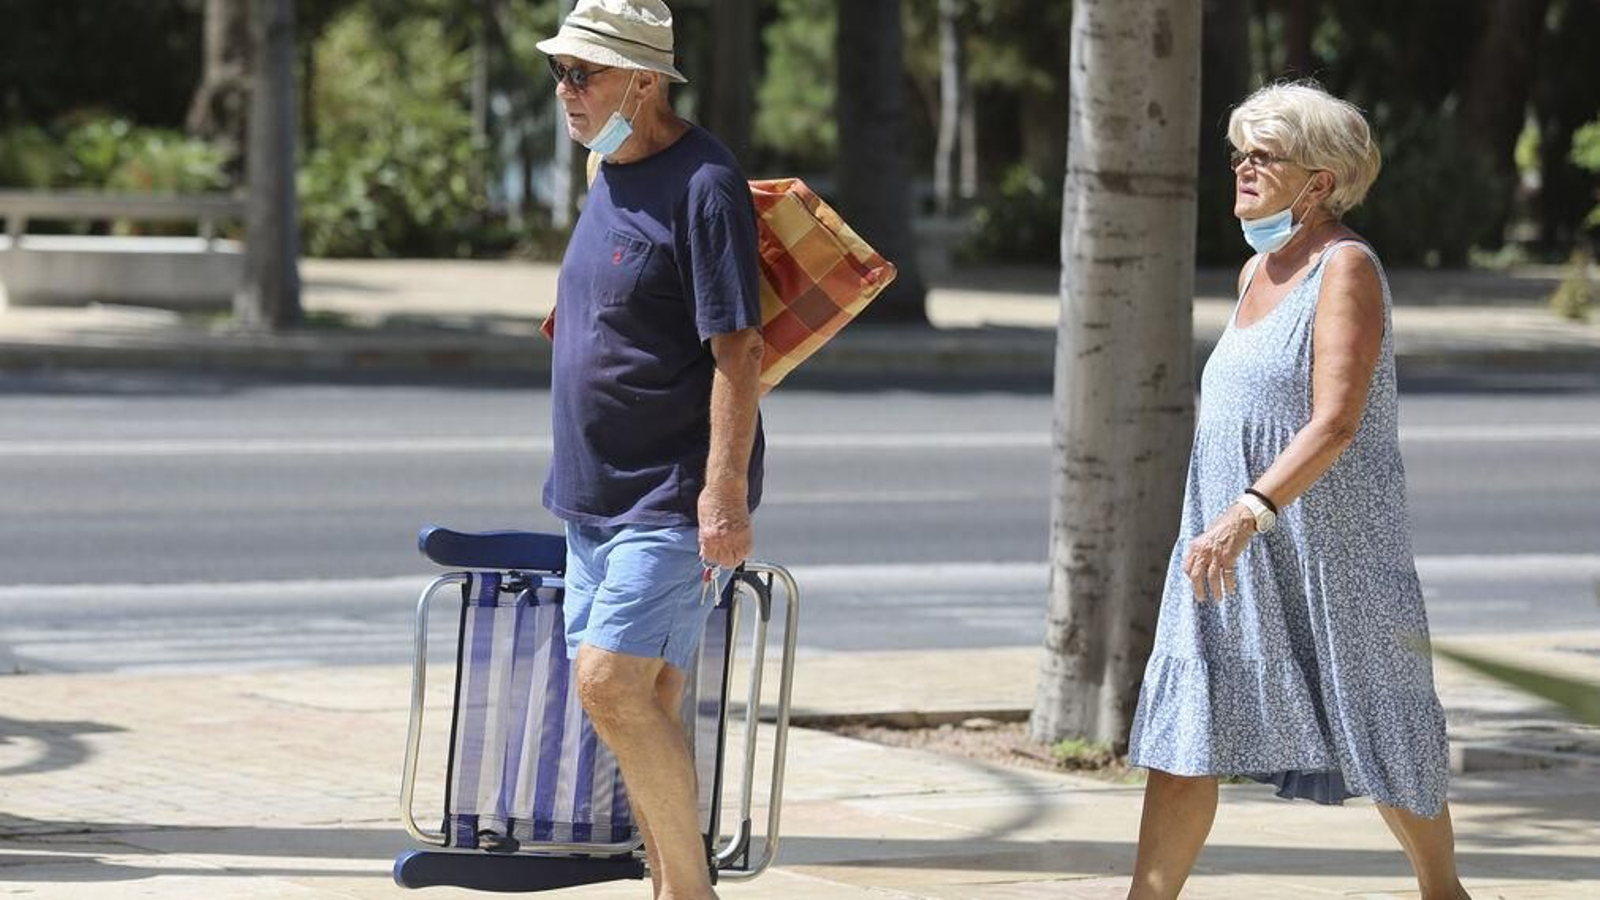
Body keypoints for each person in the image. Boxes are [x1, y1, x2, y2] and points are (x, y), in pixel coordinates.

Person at [1124, 81, 1470, 900]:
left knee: (1383, 724)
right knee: (1186, 728)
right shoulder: (1256, 269)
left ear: (1321, 180)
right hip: (1224, 547)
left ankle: (1443, 892)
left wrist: (1250, 512)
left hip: (1325, 547)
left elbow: (1336, 420)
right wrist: (1227, 523)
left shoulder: (1344, 269)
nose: (1243, 167)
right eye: (1239, 151)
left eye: (1264, 155)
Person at [535, 2, 763, 898]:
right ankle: (669, 889)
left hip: (668, 499)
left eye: (582, 74)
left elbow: (736, 349)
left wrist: (723, 492)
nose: (566, 92)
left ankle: (693, 892)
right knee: (645, 702)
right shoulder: (604, 171)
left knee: (610, 687)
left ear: (641, 80)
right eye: (559, 73)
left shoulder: (704, 183)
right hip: (594, 495)